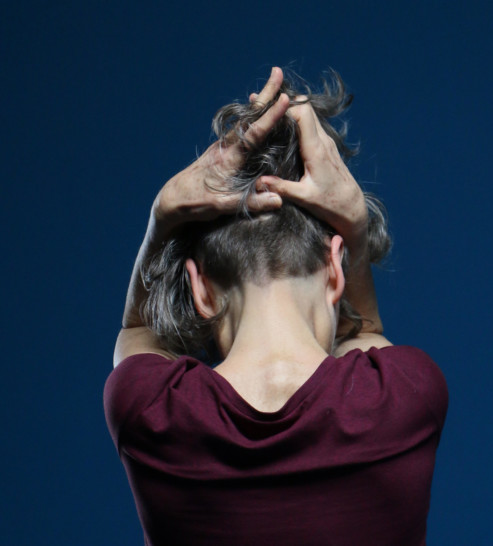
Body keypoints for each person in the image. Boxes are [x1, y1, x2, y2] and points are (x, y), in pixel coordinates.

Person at [104, 67, 448, 546]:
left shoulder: (150, 411)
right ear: (335, 269)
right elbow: (364, 333)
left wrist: (163, 216)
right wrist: (353, 228)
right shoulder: (405, 396)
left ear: (199, 289)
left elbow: (136, 331)